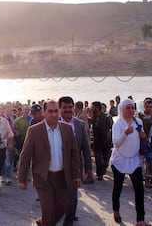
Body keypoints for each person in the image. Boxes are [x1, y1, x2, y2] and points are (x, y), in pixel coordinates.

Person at [18, 100, 81, 226]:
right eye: (50, 111)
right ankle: (45, 221)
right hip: (43, 177)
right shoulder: (34, 131)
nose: (53, 114)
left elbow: (74, 154)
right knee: (49, 210)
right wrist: (22, 178)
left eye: (56, 111)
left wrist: (76, 175)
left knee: (63, 208)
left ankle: (43, 222)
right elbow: (25, 156)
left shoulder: (67, 129)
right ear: (44, 112)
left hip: (62, 177)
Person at [110, 99, 150, 226]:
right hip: (120, 160)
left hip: (135, 159)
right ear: (122, 110)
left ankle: (140, 220)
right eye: (128, 108)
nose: (131, 110)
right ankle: (116, 211)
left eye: (133, 108)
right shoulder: (117, 124)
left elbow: (141, 137)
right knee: (118, 187)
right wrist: (125, 133)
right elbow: (116, 144)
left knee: (139, 191)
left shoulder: (138, 122)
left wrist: (143, 135)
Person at [58, 96, 94, 226]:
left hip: (74, 166)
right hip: (56, 166)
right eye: (64, 107)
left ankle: (69, 219)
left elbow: (85, 148)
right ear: (59, 109)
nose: (67, 110)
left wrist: (89, 169)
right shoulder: (52, 123)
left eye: (69, 107)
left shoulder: (79, 124)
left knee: (72, 195)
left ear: (73, 108)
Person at [91, 101, 112, 180]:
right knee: (98, 159)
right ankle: (99, 174)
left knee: (106, 159)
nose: (91, 108)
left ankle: (102, 171)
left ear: (97, 107)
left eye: (93, 107)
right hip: (96, 141)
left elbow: (110, 128)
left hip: (105, 141)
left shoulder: (106, 117)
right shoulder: (94, 117)